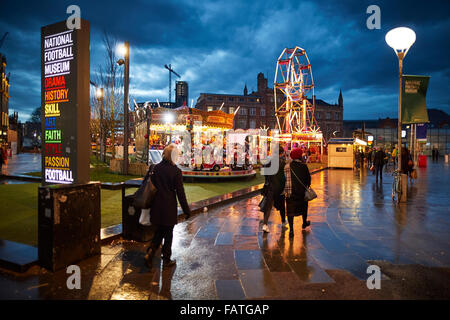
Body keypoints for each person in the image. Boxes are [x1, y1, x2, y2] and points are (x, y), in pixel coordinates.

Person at [145, 144, 191, 269]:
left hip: (156, 205)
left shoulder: (155, 168)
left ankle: (150, 252)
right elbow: (180, 193)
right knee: (168, 233)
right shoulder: (176, 171)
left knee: (159, 231)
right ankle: (166, 259)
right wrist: (186, 210)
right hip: (168, 206)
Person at [284, 148, 311, 238]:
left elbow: (285, 179)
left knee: (290, 212)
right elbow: (308, 180)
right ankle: (304, 223)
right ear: (299, 156)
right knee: (304, 208)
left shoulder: (287, 166)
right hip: (302, 193)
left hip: (290, 193)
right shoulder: (304, 166)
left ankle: (291, 230)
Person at [260, 146, 287, 233]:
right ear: (281, 153)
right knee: (282, 205)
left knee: (268, 207)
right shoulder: (282, 162)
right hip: (279, 187)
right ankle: (283, 221)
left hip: (270, 187)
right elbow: (284, 176)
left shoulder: (268, 161)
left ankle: (265, 224)